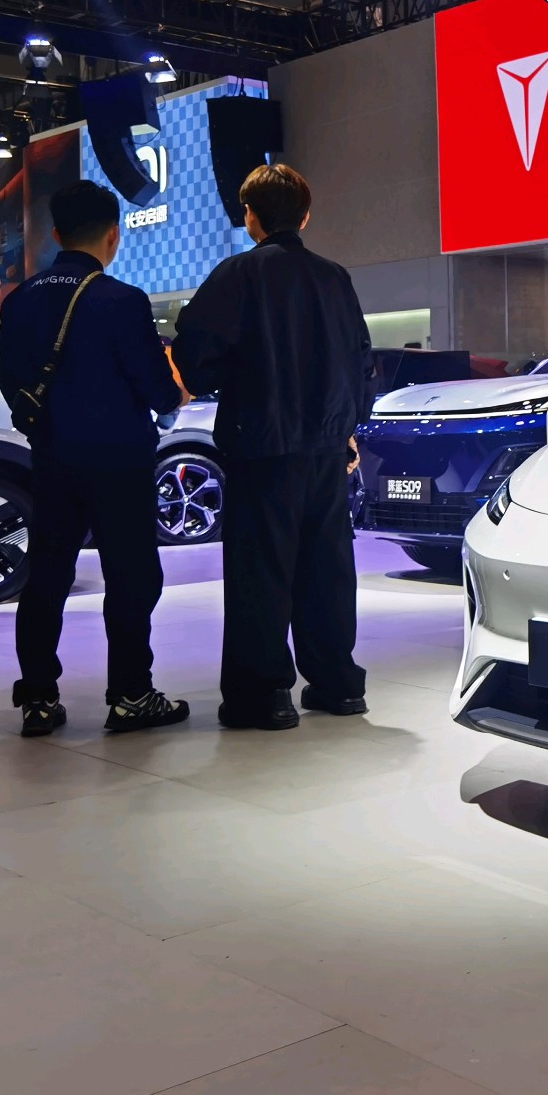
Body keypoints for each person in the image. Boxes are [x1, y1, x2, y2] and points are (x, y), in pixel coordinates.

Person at [172, 164, 373, 731]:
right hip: (327, 449)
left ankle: (264, 696)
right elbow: (361, 361)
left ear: (249, 217)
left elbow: (194, 355)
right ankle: (338, 685)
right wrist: (347, 426)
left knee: (260, 573)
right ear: (305, 216)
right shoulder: (335, 278)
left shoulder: (237, 274)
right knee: (328, 569)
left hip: (260, 447)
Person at [0, 181, 189, 737]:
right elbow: (156, 388)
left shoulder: (19, 299)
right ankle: (131, 694)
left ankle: (38, 698)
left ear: (57, 234)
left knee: (47, 575)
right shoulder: (122, 300)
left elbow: (12, 383)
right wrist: (174, 396)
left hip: (52, 458)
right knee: (131, 576)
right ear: (113, 235)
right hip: (121, 462)